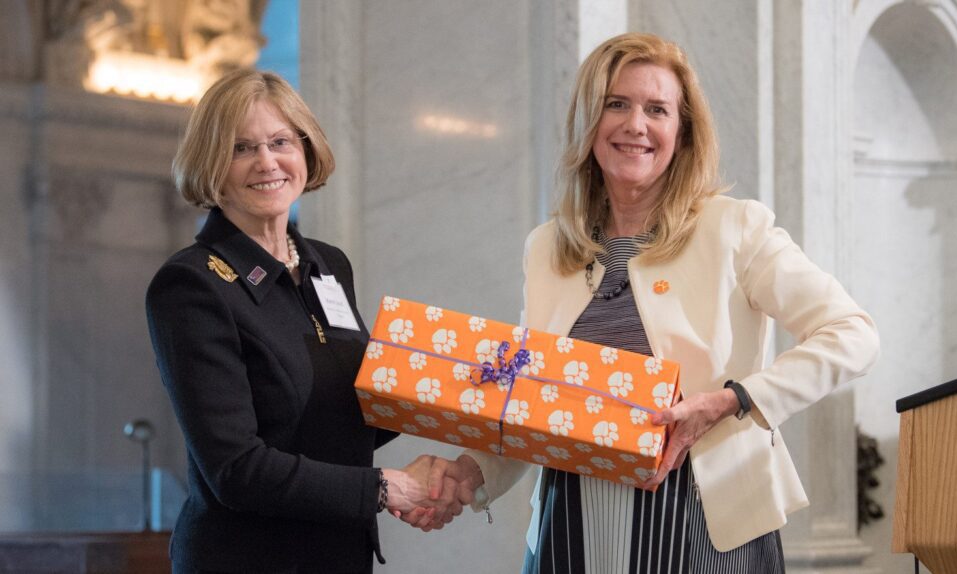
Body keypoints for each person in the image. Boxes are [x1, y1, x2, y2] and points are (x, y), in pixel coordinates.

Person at [418, 33, 880, 572]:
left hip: (706, 517)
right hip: (573, 518)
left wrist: (733, 400)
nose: (635, 125)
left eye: (656, 109)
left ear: (681, 134)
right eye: (616, 104)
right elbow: (533, 403)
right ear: (589, 121)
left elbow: (853, 334)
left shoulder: (733, 228)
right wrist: (472, 472)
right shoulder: (547, 247)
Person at [146, 69, 471, 574]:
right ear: (211, 164)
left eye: (281, 141)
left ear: (306, 150)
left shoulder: (327, 264)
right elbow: (236, 469)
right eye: (241, 148)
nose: (267, 162)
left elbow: (342, 414)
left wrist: (467, 390)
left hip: (338, 553)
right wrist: (387, 487)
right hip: (247, 558)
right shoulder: (192, 286)